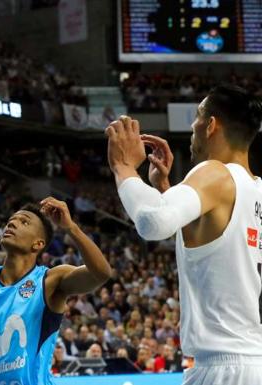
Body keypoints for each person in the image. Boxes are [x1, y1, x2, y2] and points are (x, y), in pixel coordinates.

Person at [105, 84, 262, 384]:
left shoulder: (216, 171)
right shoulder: (256, 189)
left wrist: (123, 167)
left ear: (211, 125)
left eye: (198, 115)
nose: (193, 125)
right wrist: (165, 192)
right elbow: (215, 241)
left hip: (224, 368)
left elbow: (153, 222)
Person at [0, 198, 112, 385]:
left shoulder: (50, 281)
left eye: (24, 222)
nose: (12, 223)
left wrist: (71, 228)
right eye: (11, 221)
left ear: (38, 244)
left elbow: (101, 274)